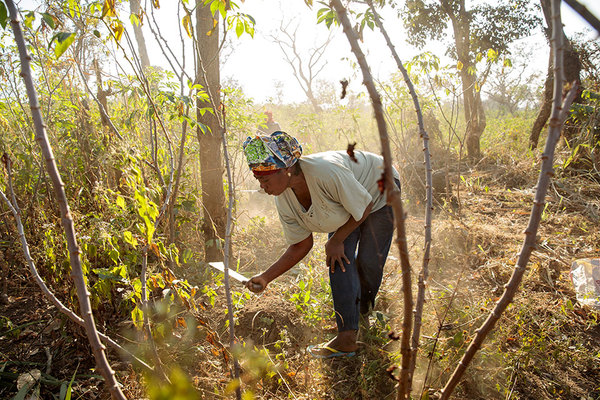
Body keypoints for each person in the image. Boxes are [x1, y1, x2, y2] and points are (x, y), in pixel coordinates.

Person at [242, 131, 399, 358]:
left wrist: (336, 240)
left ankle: (363, 312)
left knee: (368, 262)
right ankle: (346, 337)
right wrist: (265, 277)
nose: (263, 187)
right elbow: (301, 244)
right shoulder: (283, 197)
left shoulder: (325, 172)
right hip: (348, 205)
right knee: (340, 259)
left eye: (265, 180)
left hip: (380, 189)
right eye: (259, 181)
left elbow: (364, 206)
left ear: (286, 169)